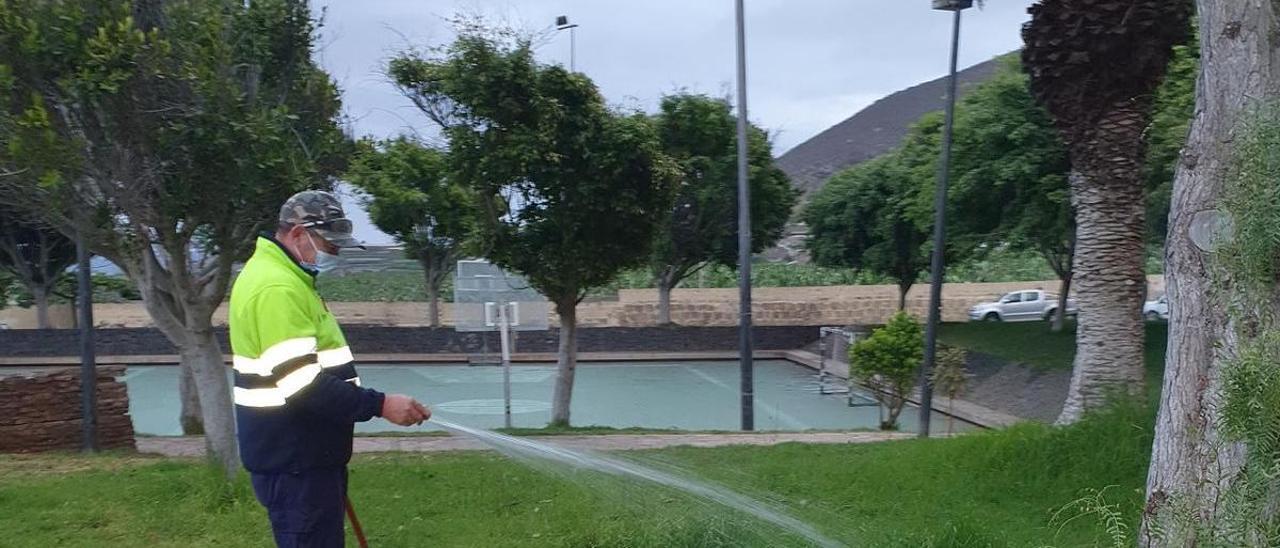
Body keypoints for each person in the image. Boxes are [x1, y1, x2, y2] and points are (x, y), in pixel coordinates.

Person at [229, 190, 430, 547]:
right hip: (296, 465)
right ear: (296, 233)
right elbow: (303, 384)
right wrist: (380, 405)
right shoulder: (277, 288)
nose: (334, 253)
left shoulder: (288, 279)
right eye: (329, 244)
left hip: (307, 458)